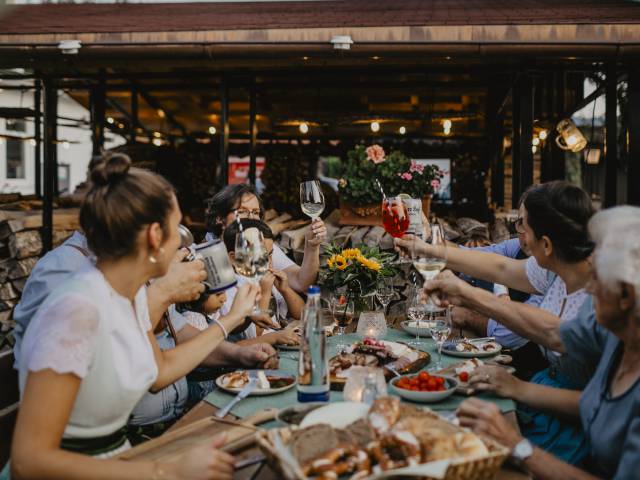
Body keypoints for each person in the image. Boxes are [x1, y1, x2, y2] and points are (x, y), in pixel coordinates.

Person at [8, 154, 261, 479]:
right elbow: (29, 462)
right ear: (155, 236)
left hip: (121, 461)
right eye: (177, 230)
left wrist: (229, 321)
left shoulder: (129, 296)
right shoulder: (75, 310)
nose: (185, 247)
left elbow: (159, 371)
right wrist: (168, 471)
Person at [398, 181, 595, 464]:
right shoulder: (557, 268)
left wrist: (467, 295)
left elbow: (554, 332)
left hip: (572, 424)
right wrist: (429, 250)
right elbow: (499, 267)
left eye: (522, 226)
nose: (518, 235)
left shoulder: (601, 294)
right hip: (540, 395)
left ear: (547, 244)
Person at [456, 206, 640, 479]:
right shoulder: (617, 339)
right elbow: (553, 334)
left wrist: (517, 446)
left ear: (625, 295)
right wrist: (516, 388)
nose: (588, 288)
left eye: (597, 278)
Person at [454, 195, 547, 380]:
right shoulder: (517, 247)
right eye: (521, 223)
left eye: (535, 224)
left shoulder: (551, 273)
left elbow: (504, 335)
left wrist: (466, 311)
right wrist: (428, 243)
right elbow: (483, 260)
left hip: (529, 374)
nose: (527, 235)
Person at [205, 184, 327, 294]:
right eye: (242, 211)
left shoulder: (263, 245)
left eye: (255, 212)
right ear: (219, 218)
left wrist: (312, 247)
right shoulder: (207, 254)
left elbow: (301, 282)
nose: (251, 218)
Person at [221, 219, 303, 346]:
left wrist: (285, 290)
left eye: (270, 255)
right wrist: (265, 294)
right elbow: (254, 336)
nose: (269, 262)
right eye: (261, 256)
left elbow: (302, 314)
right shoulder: (227, 292)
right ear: (234, 258)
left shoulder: (264, 276)